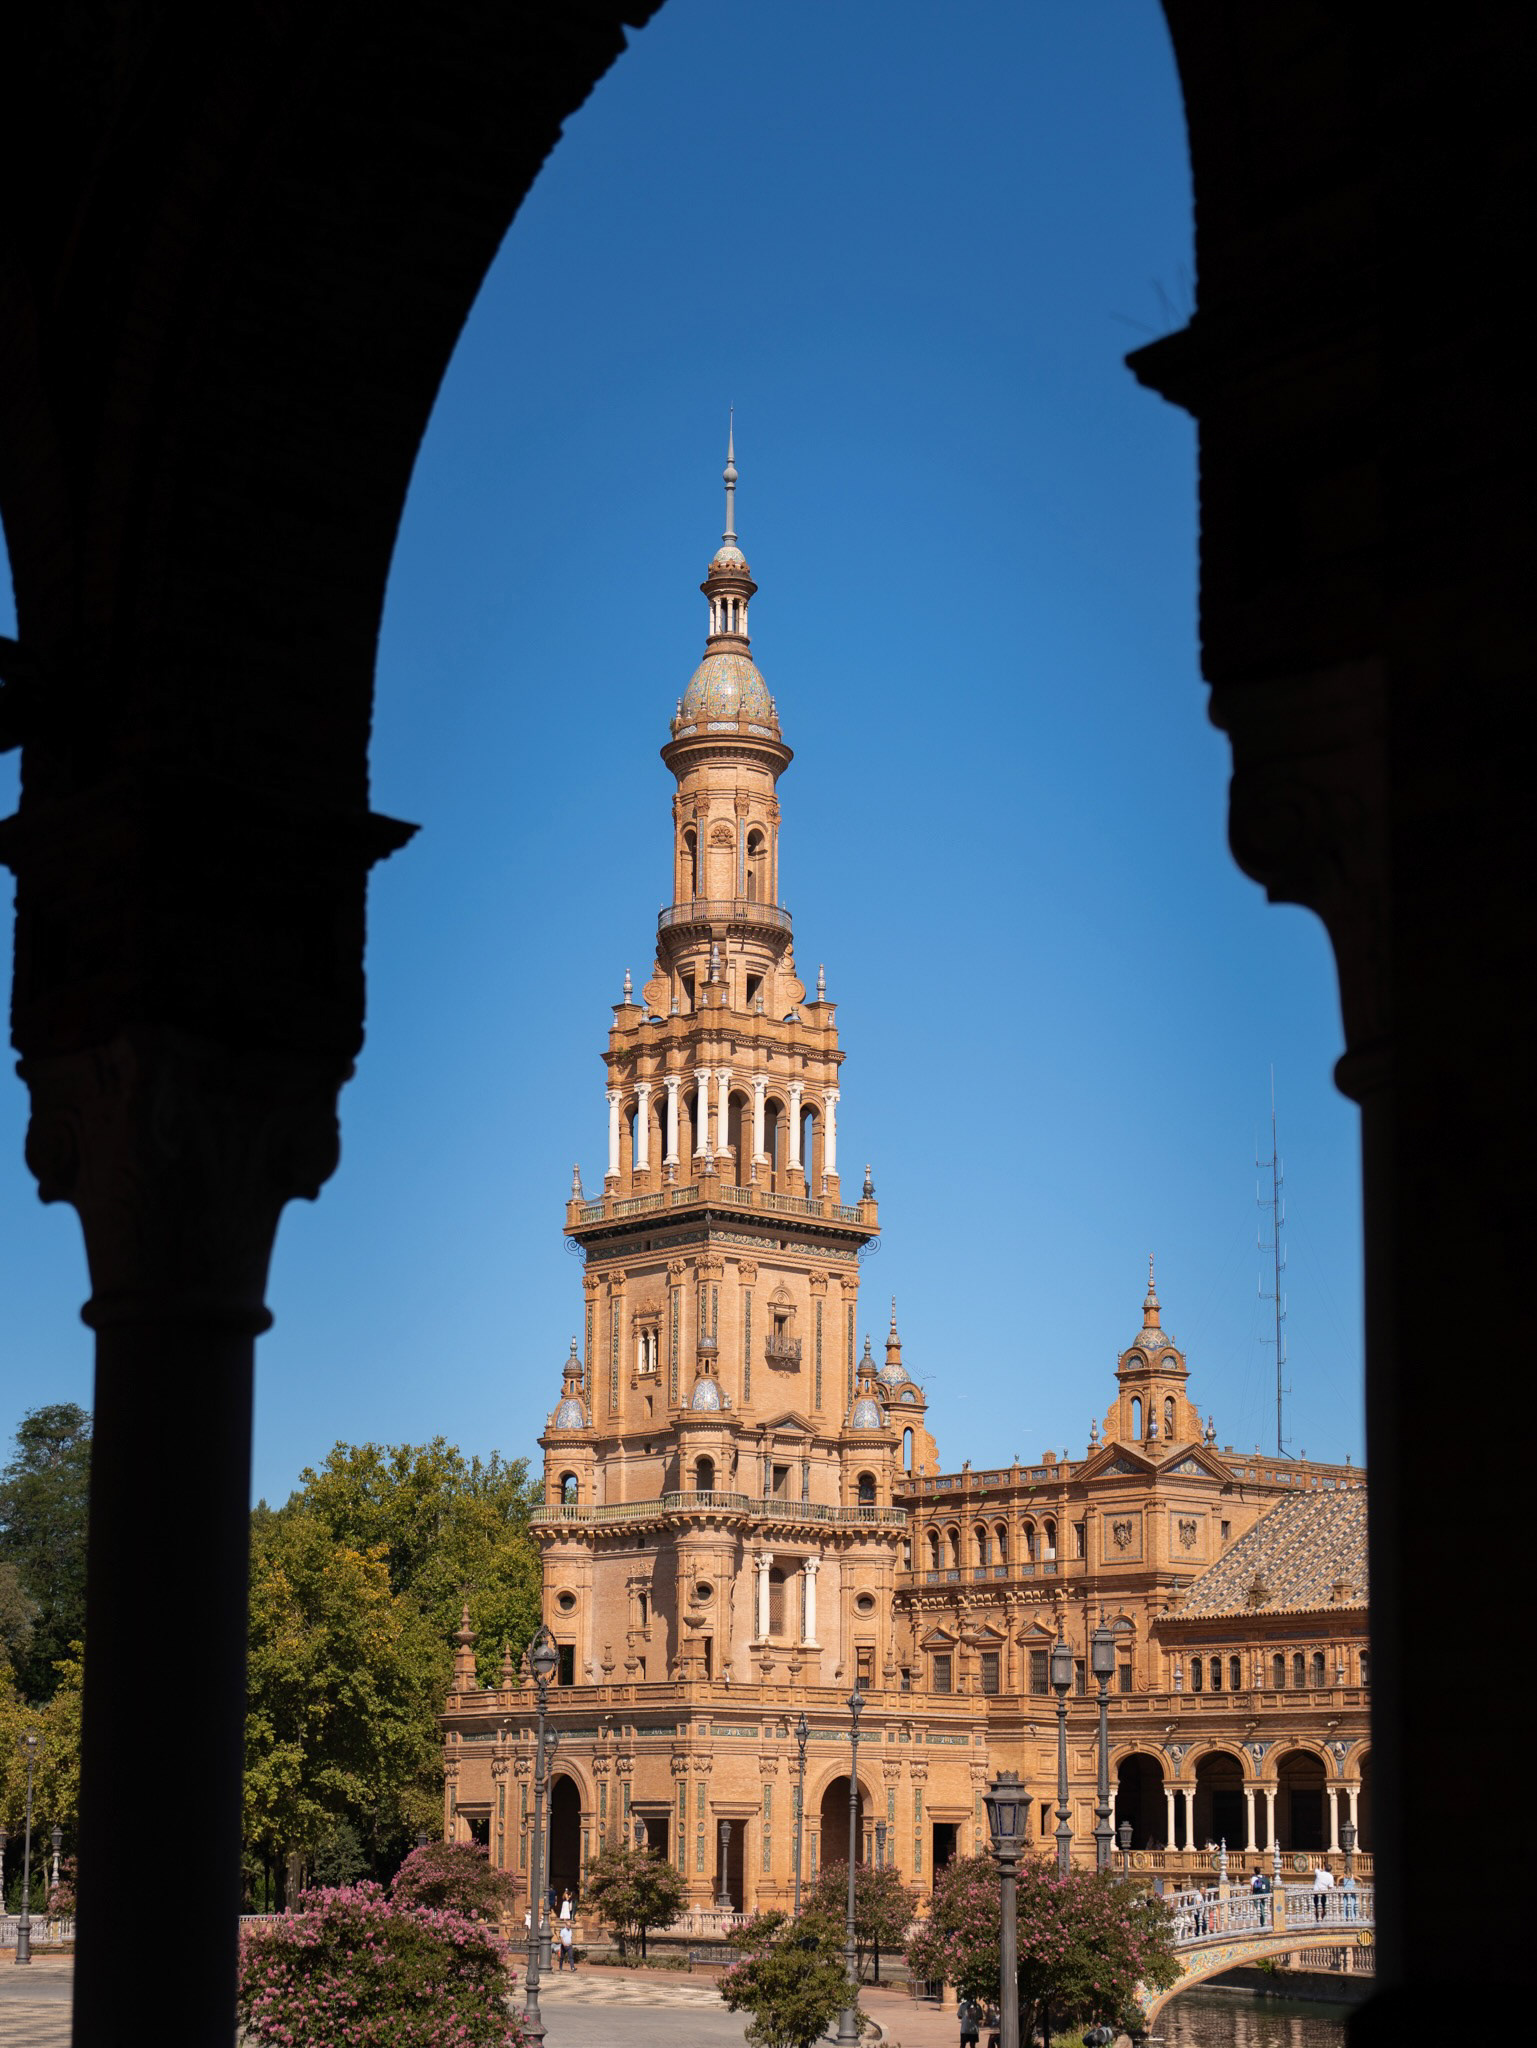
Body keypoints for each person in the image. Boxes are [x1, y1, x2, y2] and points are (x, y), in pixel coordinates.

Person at [1250, 1865, 1272, 1929]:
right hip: (1264, 1894)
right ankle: (1263, 1921)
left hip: (1257, 1894)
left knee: (1259, 1908)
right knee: (1263, 1907)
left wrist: (1251, 1894)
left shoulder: (1254, 1878)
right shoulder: (1263, 1877)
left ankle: (1262, 1922)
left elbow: (1252, 1887)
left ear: (1254, 1871)